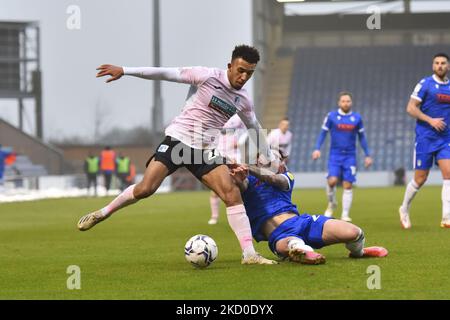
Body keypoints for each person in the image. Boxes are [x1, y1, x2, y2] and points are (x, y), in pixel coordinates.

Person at [77, 45, 279, 265]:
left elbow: (254, 127)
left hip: (203, 152)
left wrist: (270, 159)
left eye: (249, 73)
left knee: (231, 193)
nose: (244, 76)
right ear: (230, 66)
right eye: (240, 70)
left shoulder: (243, 99)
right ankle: (103, 213)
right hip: (178, 141)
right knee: (146, 189)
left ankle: (249, 254)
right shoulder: (206, 76)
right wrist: (125, 70)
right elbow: (165, 73)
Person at [231, 150, 387, 264]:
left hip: (304, 222)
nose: (272, 160)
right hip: (279, 235)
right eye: (267, 157)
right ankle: (302, 252)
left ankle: (359, 252)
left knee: (355, 233)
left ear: (282, 164)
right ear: (258, 160)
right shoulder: (248, 180)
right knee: (294, 244)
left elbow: (273, 179)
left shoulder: (287, 176)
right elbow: (242, 186)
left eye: (276, 158)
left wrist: (249, 167)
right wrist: (239, 177)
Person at [399, 52, 450, 229]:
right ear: (433, 66)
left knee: (448, 174)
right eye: (437, 63)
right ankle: (404, 208)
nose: (440, 66)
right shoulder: (425, 84)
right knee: (420, 179)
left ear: (448, 66)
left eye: (443, 63)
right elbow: (410, 108)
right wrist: (431, 120)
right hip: (425, 138)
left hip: (445, 139)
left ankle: (446, 217)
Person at [312, 92, 373, 222]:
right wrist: (317, 149)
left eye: (348, 101)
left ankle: (345, 214)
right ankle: (332, 203)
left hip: (350, 156)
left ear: (351, 103)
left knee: (348, 184)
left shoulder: (357, 118)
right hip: (335, 155)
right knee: (332, 181)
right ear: (339, 103)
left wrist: (367, 155)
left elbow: (362, 138)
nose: (346, 103)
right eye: (343, 101)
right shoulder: (331, 116)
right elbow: (323, 133)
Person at [208, 114, 246, 225]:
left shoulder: (238, 118)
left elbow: (246, 131)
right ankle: (214, 217)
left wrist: (240, 143)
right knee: (216, 187)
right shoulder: (216, 115)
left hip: (235, 155)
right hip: (219, 155)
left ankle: (244, 214)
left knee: (241, 185)